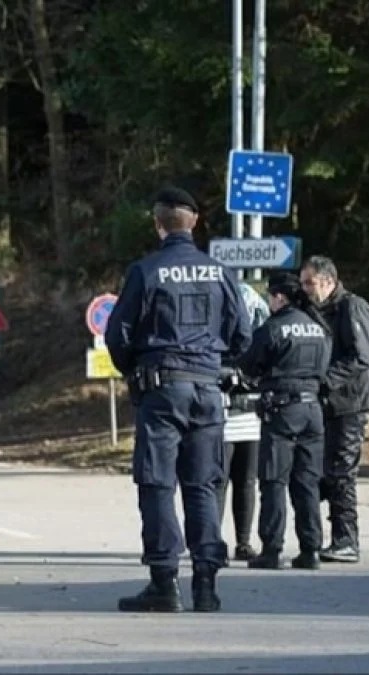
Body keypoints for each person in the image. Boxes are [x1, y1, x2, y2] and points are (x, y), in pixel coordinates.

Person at [105, 186, 251, 613]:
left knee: (157, 484)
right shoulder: (221, 272)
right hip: (208, 390)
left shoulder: (146, 271)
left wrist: (134, 369)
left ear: (157, 224)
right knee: (203, 484)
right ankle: (205, 585)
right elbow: (242, 335)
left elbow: (118, 334)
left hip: (162, 389)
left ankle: (164, 582)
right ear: (196, 222)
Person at [235, 273, 331, 570]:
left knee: (274, 481)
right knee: (307, 483)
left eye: (271, 297)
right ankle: (310, 549)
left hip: (282, 410)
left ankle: (272, 549)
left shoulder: (274, 327)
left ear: (279, 297)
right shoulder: (318, 328)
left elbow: (249, 365)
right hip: (313, 411)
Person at [299, 255, 369, 563]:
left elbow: (362, 357)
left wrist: (324, 381)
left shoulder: (352, 307)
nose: (304, 289)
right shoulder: (319, 310)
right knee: (325, 471)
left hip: (352, 402)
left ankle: (346, 540)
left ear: (328, 281)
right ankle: (325, 534)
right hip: (332, 403)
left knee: (342, 472)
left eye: (310, 283)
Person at [216, 281, 271, 564]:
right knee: (220, 482)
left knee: (246, 482)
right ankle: (214, 541)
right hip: (223, 418)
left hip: (250, 418)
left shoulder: (261, 341)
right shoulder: (215, 338)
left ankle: (244, 541)